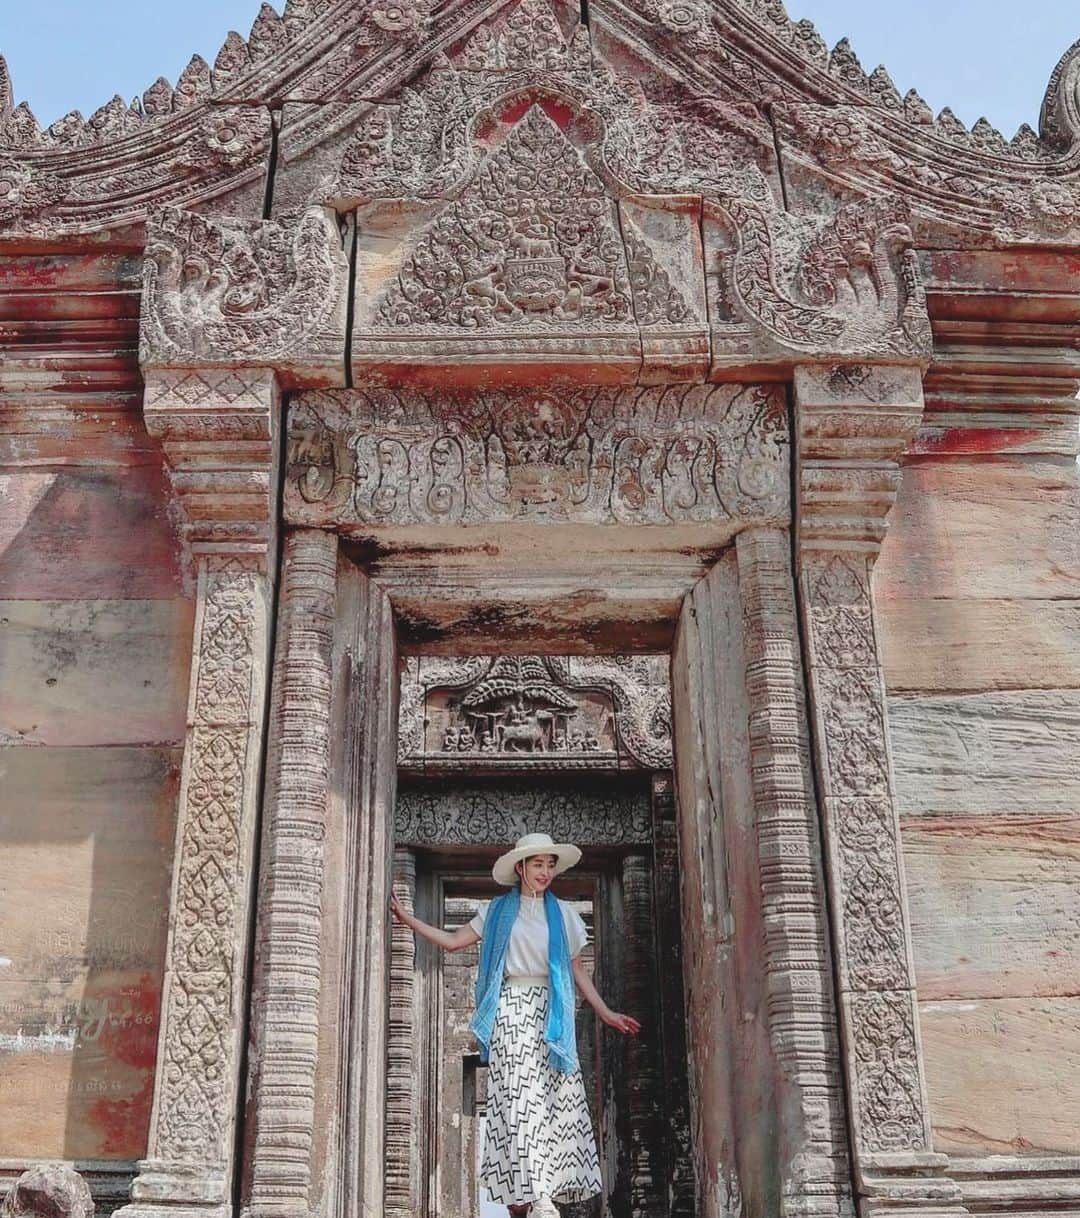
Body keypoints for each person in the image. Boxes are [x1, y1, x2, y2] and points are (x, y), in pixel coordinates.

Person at [389, 831, 642, 1218]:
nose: (545, 872)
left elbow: (576, 969)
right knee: (519, 1101)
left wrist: (605, 1013)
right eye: (538, 864)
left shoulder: (565, 916)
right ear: (520, 867)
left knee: (554, 1103)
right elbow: (455, 941)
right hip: (510, 1008)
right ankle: (538, 1195)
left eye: (550, 865)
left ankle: (531, 1195)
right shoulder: (495, 912)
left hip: (553, 1012)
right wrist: (408, 920)